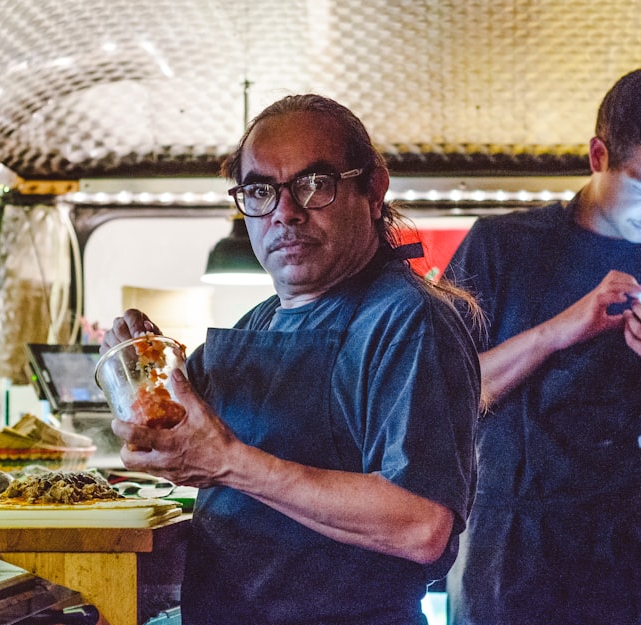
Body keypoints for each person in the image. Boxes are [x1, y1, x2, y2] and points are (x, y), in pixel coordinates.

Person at [103, 94, 482, 625]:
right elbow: (180, 450)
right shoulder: (257, 324)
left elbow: (421, 524)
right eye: (260, 190)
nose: (285, 212)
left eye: (314, 184)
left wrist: (232, 462)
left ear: (373, 190)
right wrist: (141, 371)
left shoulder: (407, 320)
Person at [444, 66, 641, 625]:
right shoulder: (499, 248)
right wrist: (558, 331)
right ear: (598, 155)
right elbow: (445, 400)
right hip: (507, 561)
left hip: (633, 568)